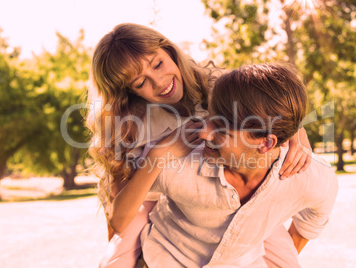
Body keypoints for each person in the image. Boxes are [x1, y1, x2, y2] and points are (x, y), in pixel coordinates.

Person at [87, 23, 312, 267]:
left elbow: (276, 110)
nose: (160, 82)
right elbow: (119, 219)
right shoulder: (127, 124)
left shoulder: (218, 85)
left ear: (170, 51)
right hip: (158, 203)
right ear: (127, 91)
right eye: (141, 83)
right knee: (113, 263)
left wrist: (298, 138)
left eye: (158, 64)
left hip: (229, 196)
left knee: (285, 259)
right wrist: (161, 152)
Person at [115, 63, 338, 267]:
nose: (204, 132)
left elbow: (314, 217)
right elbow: (120, 214)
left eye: (221, 130)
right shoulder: (176, 163)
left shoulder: (309, 176)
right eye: (209, 117)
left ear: (266, 143)